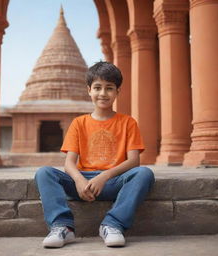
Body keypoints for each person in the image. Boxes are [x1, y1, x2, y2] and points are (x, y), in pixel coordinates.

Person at [35, 61, 155, 248]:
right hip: (82, 183)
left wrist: (104, 176)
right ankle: (62, 227)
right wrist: (79, 180)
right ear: (89, 90)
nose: (103, 93)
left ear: (117, 92)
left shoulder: (128, 123)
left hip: (113, 181)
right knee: (44, 173)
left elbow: (134, 161)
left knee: (144, 173)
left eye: (109, 88)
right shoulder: (79, 123)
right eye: (97, 88)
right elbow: (69, 164)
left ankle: (113, 224)